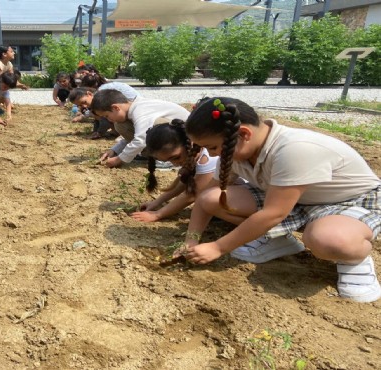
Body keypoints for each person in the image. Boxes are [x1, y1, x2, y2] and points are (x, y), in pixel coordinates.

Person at [181, 97, 381, 303]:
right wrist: (191, 239)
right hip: (291, 199)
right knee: (212, 199)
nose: (212, 154)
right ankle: (280, 240)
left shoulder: (293, 150)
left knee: (326, 240)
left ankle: (354, 257)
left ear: (243, 134)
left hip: (345, 201)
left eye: (212, 148)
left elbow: (274, 213)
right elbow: (206, 196)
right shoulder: (238, 152)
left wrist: (218, 247)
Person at [131, 120, 218, 222]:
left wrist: (157, 215)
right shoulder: (194, 157)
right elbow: (184, 184)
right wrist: (157, 202)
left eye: (176, 158)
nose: (175, 164)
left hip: (239, 200)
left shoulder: (206, 160)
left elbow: (191, 195)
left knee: (206, 201)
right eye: (168, 161)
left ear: (189, 142)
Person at [90, 89, 190, 168]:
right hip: (176, 136)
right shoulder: (133, 111)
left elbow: (140, 139)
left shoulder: (140, 111)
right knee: (121, 125)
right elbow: (133, 137)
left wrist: (119, 159)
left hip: (186, 139)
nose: (109, 120)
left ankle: (170, 158)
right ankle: (155, 155)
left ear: (116, 108)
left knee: (157, 125)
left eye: (107, 116)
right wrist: (114, 150)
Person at [69, 80, 140, 139]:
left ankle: (121, 133)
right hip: (128, 107)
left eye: (84, 102)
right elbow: (95, 116)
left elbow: (103, 118)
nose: (84, 106)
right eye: (80, 105)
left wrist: (99, 133)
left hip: (134, 107)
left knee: (108, 116)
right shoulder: (97, 95)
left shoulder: (101, 97)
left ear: (89, 94)